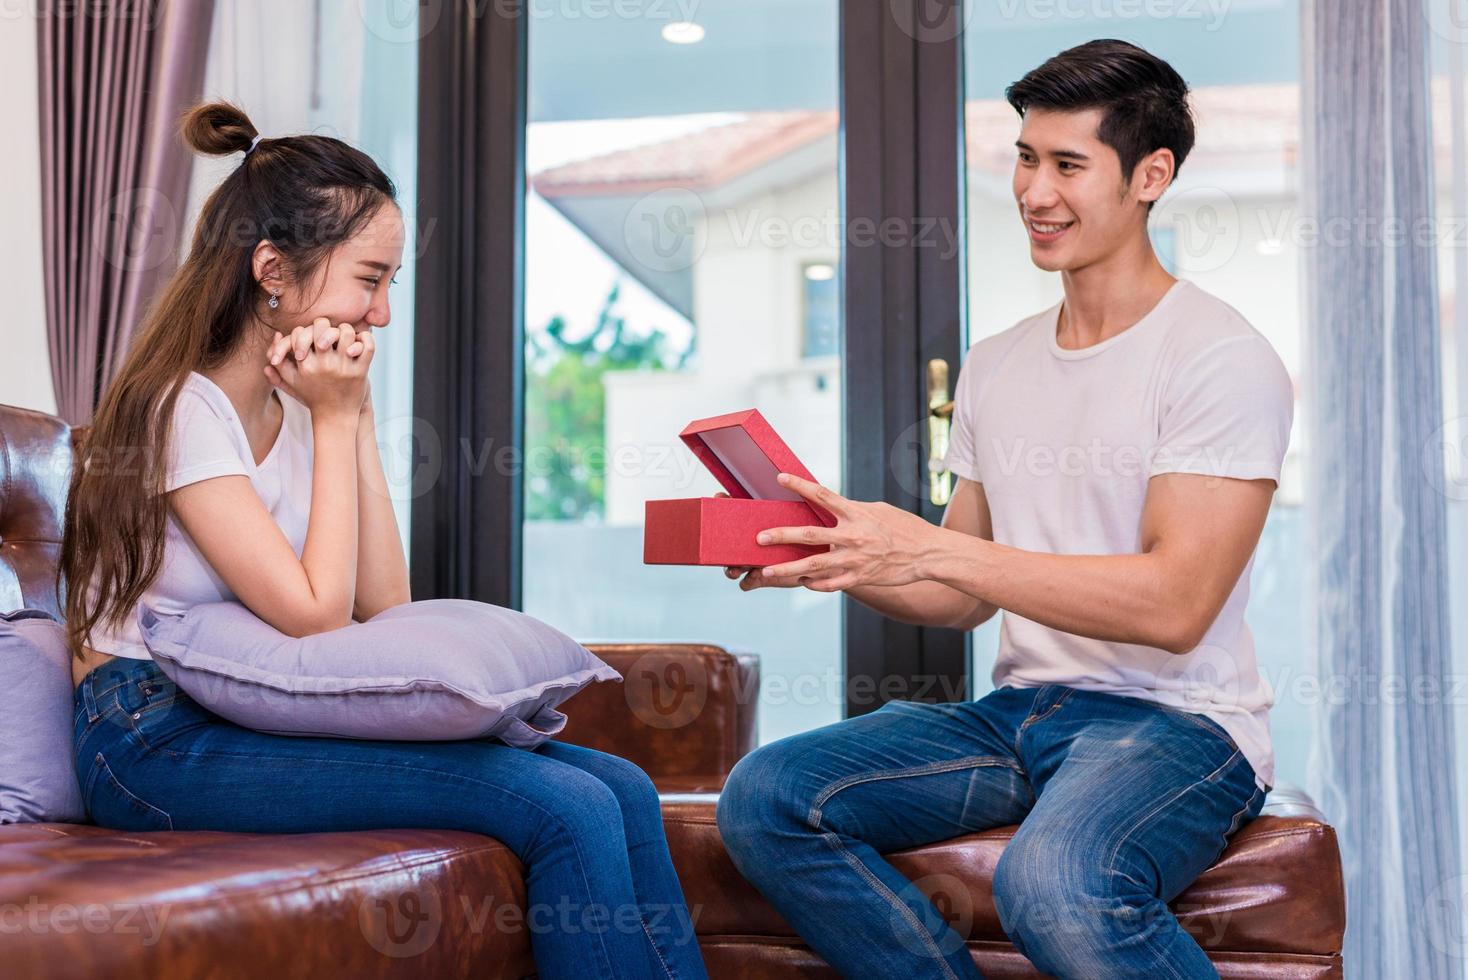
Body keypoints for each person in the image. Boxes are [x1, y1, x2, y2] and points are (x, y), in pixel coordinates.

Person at [61, 100, 707, 980]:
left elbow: (384, 603)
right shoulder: (186, 410)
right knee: (563, 808)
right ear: (271, 271)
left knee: (623, 789)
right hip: (150, 741)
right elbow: (320, 618)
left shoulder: (294, 410)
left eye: (390, 283)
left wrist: (350, 418)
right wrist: (334, 419)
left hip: (244, 710)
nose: (384, 313)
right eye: (371, 279)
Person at [715, 39, 1291, 979]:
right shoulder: (999, 361)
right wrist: (849, 558)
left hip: (1178, 723)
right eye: (1027, 158)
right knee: (769, 795)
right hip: (1020, 712)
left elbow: (1175, 605)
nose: (1034, 192)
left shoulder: (1219, 357)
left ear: (1152, 175)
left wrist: (935, 553)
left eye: (1069, 165)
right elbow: (960, 593)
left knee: (1057, 879)